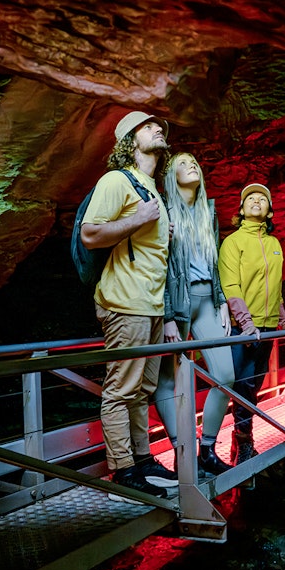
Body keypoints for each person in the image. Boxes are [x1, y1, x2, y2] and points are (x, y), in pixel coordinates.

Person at [80, 110, 178, 501]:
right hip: (125, 302)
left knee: (142, 389)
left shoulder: (152, 189)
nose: (158, 129)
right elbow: (90, 234)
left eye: (159, 126)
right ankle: (123, 471)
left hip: (151, 306)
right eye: (147, 126)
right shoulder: (117, 181)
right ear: (128, 140)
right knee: (121, 390)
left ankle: (143, 460)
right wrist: (137, 219)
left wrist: (154, 224)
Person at [154, 152, 237, 477]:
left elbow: (214, 266)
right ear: (171, 176)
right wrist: (167, 316)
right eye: (183, 163)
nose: (192, 166)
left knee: (225, 377)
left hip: (206, 300)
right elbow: (158, 266)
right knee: (166, 381)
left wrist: (221, 303)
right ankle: (181, 452)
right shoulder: (163, 209)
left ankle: (206, 450)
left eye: (195, 162)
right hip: (178, 300)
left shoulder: (208, 211)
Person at [217, 183, 285, 464]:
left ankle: (242, 442)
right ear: (241, 209)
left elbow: (275, 287)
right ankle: (242, 443)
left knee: (254, 386)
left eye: (263, 198)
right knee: (243, 387)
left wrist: (283, 319)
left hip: (268, 328)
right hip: (243, 329)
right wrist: (245, 322)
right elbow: (231, 284)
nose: (257, 201)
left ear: (270, 210)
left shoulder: (274, 245)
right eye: (250, 198)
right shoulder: (233, 242)